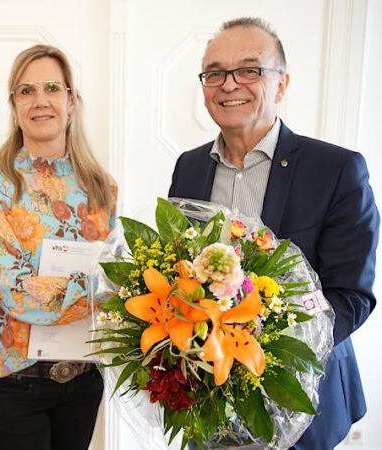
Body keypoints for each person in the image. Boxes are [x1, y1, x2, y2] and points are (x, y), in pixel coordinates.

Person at [168, 17, 379, 449]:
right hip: (206, 398)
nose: (229, 85)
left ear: (281, 85)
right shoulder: (189, 167)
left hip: (304, 404)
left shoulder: (337, 169)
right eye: (214, 73)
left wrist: (270, 353)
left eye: (249, 70)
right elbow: (179, 273)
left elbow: (350, 294)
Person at [0, 45, 117, 450]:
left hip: (83, 380)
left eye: (52, 87)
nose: (40, 100)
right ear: (13, 106)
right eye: (26, 91)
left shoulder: (102, 187)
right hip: (15, 386)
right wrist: (101, 291)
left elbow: (120, 279)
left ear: (71, 100)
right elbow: (19, 296)